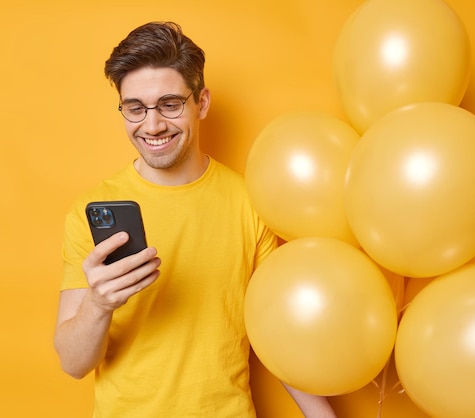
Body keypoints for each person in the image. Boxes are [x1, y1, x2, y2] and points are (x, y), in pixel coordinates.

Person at [54, 21, 337, 418]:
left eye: (170, 104)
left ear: (201, 103)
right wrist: (99, 304)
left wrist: (323, 415)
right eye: (135, 108)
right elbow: (73, 363)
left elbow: (275, 331)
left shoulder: (250, 202)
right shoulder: (92, 210)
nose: (152, 125)